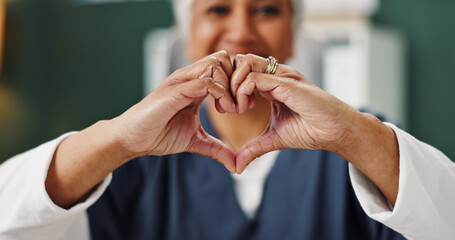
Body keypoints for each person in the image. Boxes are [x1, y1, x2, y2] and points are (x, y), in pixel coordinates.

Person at [1, 0, 454, 239]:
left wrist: (353, 132)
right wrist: (119, 138)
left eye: (267, 9)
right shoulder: (135, 160)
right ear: (188, 36)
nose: (241, 30)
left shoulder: (360, 142)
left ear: (294, 36)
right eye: (217, 9)